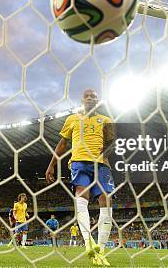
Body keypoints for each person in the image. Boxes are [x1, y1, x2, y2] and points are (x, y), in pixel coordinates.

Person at [46, 89, 115, 266]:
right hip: (79, 162)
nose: (91, 98)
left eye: (93, 96)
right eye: (87, 96)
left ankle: (101, 250)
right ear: (82, 100)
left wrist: (107, 149)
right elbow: (62, 144)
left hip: (101, 164)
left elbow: (112, 142)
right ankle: (88, 242)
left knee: (106, 199)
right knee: (81, 195)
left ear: (98, 100)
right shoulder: (72, 119)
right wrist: (52, 165)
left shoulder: (106, 120)